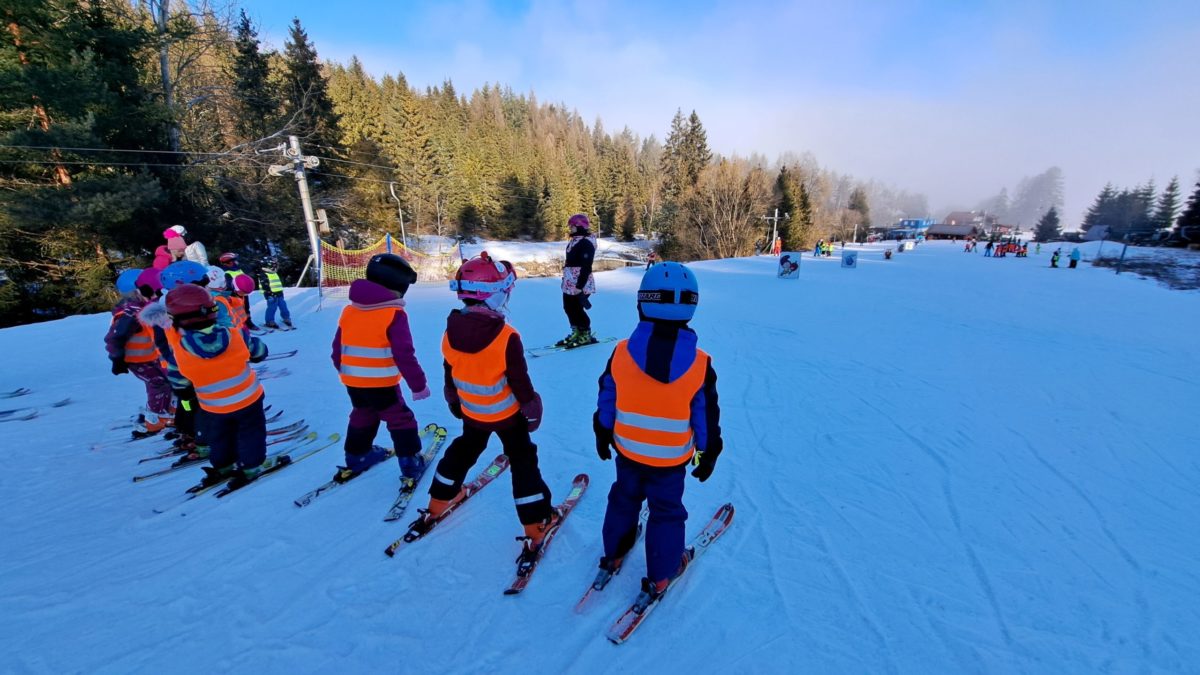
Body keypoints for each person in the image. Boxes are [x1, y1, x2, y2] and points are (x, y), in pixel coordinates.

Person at [593, 261, 724, 604]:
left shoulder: (621, 352)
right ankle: (661, 574)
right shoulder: (699, 363)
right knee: (666, 512)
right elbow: (705, 416)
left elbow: (608, 393)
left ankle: (614, 553)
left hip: (629, 451)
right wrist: (709, 451)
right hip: (669, 459)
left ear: (643, 301)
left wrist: (603, 429)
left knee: (623, 500)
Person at [411, 252, 553, 562]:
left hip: (473, 413)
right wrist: (531, 407)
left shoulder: (451, 330)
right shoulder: (506, 337)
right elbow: (520, 381)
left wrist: (453, 398)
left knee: (462, 452)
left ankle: (438, 502)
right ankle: (536, 521)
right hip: (506, 416)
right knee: (523, 461)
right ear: (496, 293)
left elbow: (450, 369)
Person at [331, 253, 430, 483]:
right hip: (382, 384)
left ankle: (356, 455)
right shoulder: (393, 314)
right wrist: (418, 385)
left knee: (363, 414)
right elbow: (404, 354)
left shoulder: (350, 311)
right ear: (397, 287)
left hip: (353, 381)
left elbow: (337, 348)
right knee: (400, 419)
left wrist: (346, 370)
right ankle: (410, 462)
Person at [163, 284, 269, 489]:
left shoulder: (179, 351)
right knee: (251, 432)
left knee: (220, 436)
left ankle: (223, 466)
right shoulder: (234, 333)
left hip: (213, 406)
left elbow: (179, 382)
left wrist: (186, 394)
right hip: (248, 398)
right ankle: (250, 465)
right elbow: (259, 351)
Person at [105, 268, 173, 435]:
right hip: (137, 360)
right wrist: (117, 358)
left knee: (168, 381)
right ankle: (154, 419)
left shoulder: (147, 307)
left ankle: (167, 410)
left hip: (151, 356)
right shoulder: (131, 313)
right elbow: (115, 336)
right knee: (158, 383)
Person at [557, 213, 598, 347]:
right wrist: (565, 279)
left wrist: (580, 285)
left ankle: (585, 333)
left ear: (580, 226)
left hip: (581, 281)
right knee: (568, 307)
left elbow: (586, 265)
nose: (570, 228)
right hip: (569, 281)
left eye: (572, 226)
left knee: (577, 309)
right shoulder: (574, 240)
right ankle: (576, 331)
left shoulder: (586, 242)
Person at [217, 252, 259, 331]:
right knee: (238, 310)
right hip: (235, 295)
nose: (236, 262)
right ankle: (240, 324)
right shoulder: (226, 273)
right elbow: (228, 286)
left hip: (244, 293)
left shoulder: (238, 269)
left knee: (246, 308)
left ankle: (248, 322)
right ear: (229, 262)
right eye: (234, 260)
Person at [256, 258, 293, 330]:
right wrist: (270, 294)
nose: (275, 267)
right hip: (271, 295)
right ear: (269, 266)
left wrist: (280, 292)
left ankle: (286, 318)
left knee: (283, 307)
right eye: (274, 265)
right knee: (272, 308)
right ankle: (269, 321)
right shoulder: (263, 274)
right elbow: (265, 285)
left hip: (279, 294)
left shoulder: (273, 273)